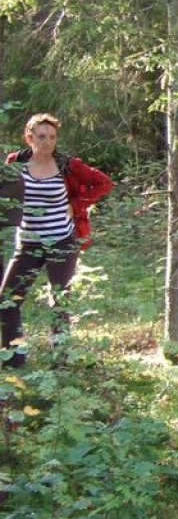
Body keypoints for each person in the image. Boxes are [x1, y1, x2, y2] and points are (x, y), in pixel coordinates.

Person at [0, 113, 113, 368]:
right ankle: (13, 362)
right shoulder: (15, 163)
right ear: (29, 138)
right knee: (7, 301)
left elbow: (103, 183)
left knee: (59, 303)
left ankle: (59, 365)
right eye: (41, 136)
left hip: (62, 242)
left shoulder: (66, 164)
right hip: (27, 243)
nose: (47, 142)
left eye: (52, 137)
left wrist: (76, 204)